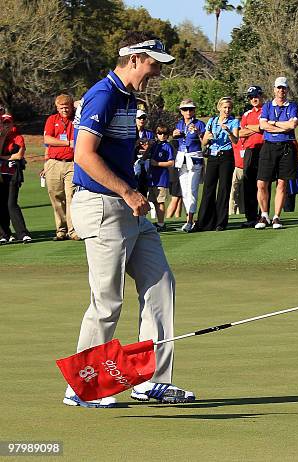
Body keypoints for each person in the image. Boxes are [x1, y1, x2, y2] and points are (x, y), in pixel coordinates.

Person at [65, 31, 194, 407]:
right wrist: (128, 191)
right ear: (135, 59)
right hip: (104, 206)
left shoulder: (126, 98)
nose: (155, 72)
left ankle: (149, 379)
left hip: (128, 209)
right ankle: (81, 387)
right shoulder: (103, 95)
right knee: (107, 302)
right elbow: (84, 155)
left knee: (160, 284)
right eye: (153, 64)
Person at [255, 77, 298, 230]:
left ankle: (276, 217)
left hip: (286, 147)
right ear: (274, 89)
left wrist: (273, 124)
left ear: (287, 90)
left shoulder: (292, 106)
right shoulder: (267, 106)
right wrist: (282, 126)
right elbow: (262, 125)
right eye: (279, 88)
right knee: (261, 183)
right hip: (269, 147)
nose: (281, 91)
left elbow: (292, 124)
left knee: (282, 183)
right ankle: (264, 214)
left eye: (284, 88)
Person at [194, 97, 240, 231]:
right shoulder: (212, 121)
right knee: (208, 188)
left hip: (226, 156)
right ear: (219, 108)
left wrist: (229, 131)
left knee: (224, 189)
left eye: (229, 108)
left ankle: (220, 222)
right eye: (224, 107)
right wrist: (205, 138)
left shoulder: (234, 121)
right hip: (213, 156)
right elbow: (204, 142)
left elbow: (235, 140)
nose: (227, 110)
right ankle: (204, 222)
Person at [42, 94, 78, 241]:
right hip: (54, 162)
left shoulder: (76, 119)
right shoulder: (52, 120)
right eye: (61, 108)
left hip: (72, 162)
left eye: (67, 107)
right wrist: (68, 143)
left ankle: (73, 230)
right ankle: (61, 230)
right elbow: (47, 139)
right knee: (56, 196)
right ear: (57, 108)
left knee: (71, 196)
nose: (64, 110)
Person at [173, 98, 206, 232]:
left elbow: (205, 142)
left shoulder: (200, 124)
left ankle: (190, 220)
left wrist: (198, 133)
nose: (188, 112)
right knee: (185, 191)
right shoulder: (180, 124)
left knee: (192, 190)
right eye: (185, 109)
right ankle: (188, 219)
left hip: (195, 159)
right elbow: (177, 141)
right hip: (182, 159)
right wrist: (174, 135)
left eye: (191, 109)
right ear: (181, 111)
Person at [0, 114, 31, 244]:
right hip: (1, 175)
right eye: (4, 123)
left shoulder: (17, 137)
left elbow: (19, 155)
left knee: (11, 203)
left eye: (8, 122)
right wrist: (2, 136)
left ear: (13, 123)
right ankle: (4, 234)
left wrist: (4, 158)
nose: (6, 125)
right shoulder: (1, 137)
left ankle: (22, 233)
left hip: (13, 174)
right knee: (1, 204)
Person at [239, 85, 265, 228]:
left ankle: (263, 214)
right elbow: (240, 133)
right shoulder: (247, 114)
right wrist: (255, 128)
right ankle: (251, 216)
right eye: (251, 97)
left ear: (261, 96)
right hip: (250, 150)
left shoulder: (266, 110)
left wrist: (251, 128)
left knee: (262, 183)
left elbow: (263, 128)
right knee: (248, 183)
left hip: (264, 149)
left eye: (256, 96)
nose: (254, 99)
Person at [147, 125, 175, 230]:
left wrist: (157, 164)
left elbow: (171, 162)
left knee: (160, 201)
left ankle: (161, 223)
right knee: (153, 201)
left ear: (168, 135)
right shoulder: (154, 145)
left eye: (164, 134)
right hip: (152, 178)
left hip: (161, 178)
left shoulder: (167, 146)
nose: (162, 136)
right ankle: (158, 222)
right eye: (160, 133)